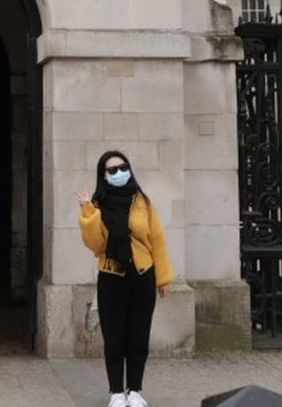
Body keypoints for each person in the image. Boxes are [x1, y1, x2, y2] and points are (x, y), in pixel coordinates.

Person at [76, 150, 173, 407]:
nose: (119, 173)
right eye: (112, 170)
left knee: (138, 336)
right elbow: (96, 245)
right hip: (111, 275)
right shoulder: (97, 205)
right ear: (104, 176)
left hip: (142, 275)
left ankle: (136, 391)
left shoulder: (142, 202)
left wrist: (162, 279)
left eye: (123, 167)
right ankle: (116, 392)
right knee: (114, 336)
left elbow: (157, 240)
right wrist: (88, 214)